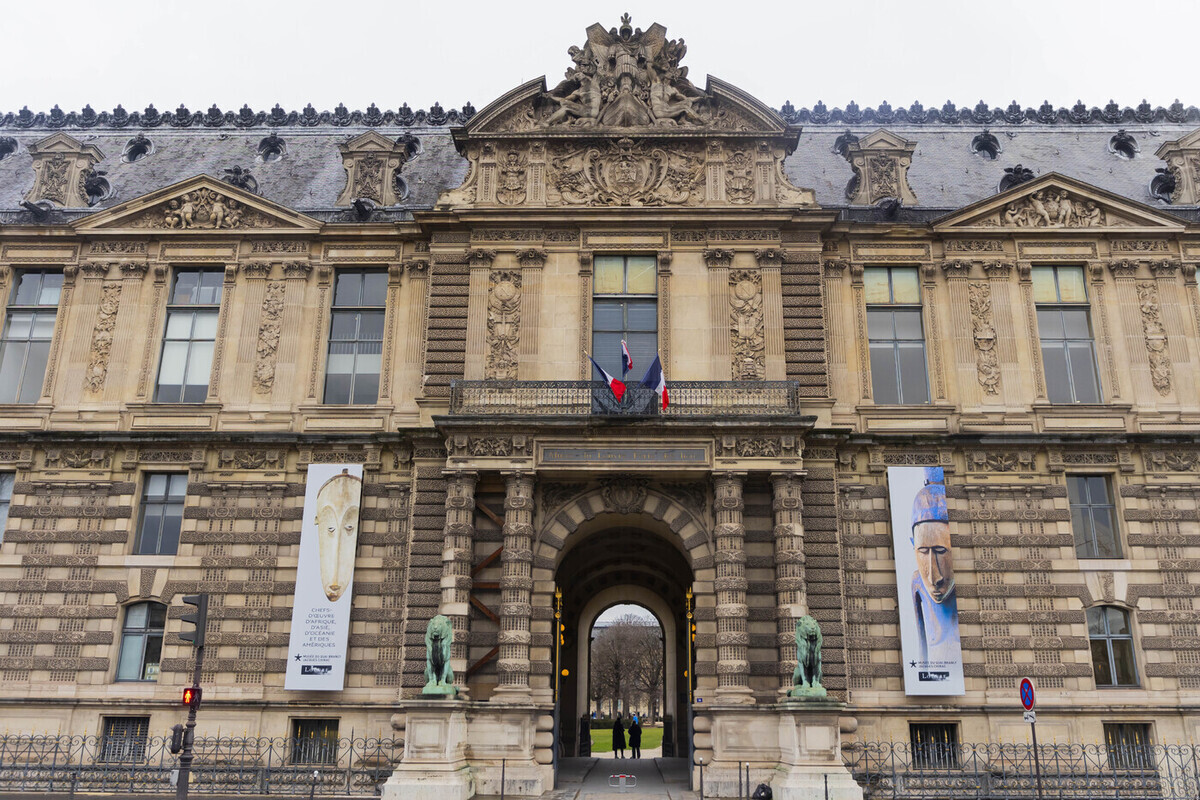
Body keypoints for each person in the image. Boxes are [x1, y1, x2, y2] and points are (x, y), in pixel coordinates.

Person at [909, 467, 960, 665]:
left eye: (940, 551)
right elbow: (922, 649)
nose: (934, 577)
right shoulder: (916, 582)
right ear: (913, 546)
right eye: (923, 551)